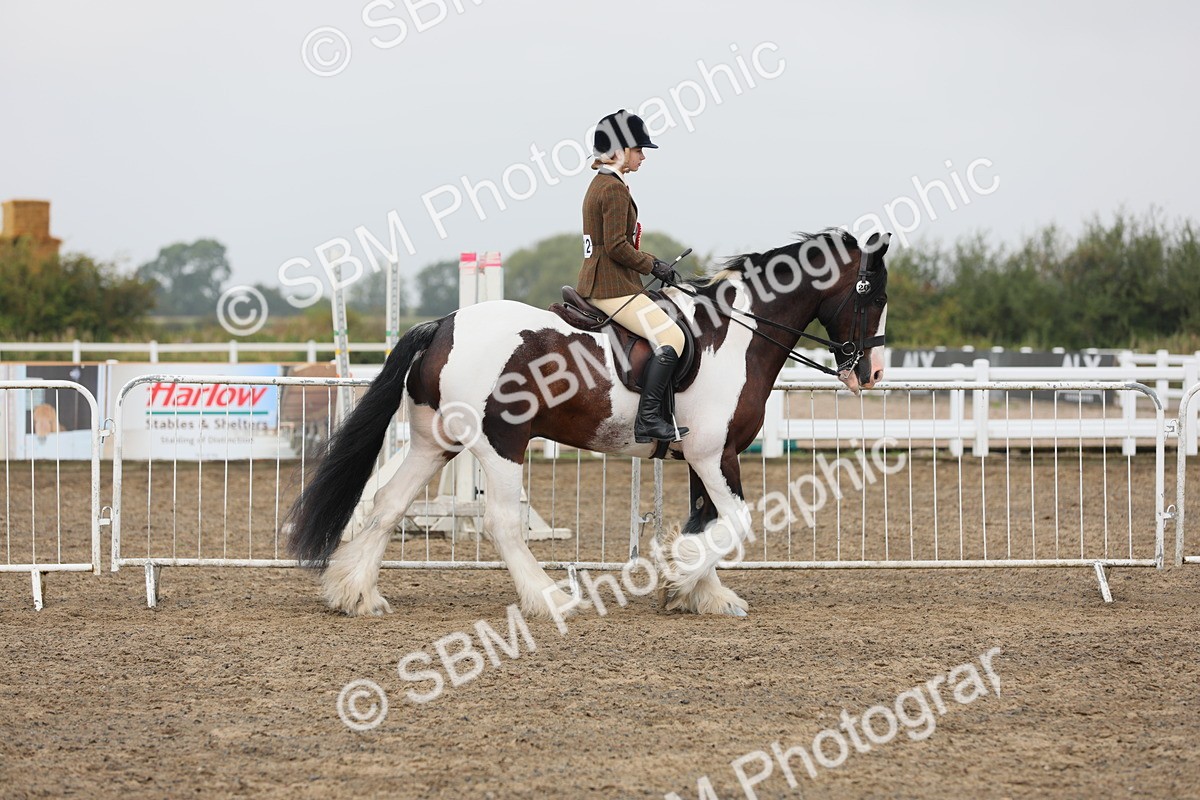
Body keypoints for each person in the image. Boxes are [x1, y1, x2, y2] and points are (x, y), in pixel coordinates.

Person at [575, 109, 689, 444]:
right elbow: (616, 247)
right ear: (620, 150)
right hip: (610, 285)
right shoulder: (612, 189)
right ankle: (649, 419)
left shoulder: (605, 183)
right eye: (638, 150)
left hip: (610, 280)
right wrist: (654, 265)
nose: (642, 157)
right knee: (673, 338)